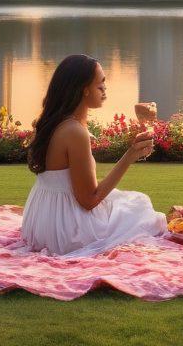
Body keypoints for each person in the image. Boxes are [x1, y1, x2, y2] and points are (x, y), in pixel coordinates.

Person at [17, 54, 166, 257]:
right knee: (143, 211)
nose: (105, 90)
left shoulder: (53, 122)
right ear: (83, 90)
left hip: (40, 221)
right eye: (100, 85)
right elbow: (89, 200)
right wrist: (129, 156)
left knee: (127, 202)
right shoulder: (74, 131)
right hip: (65, 231)